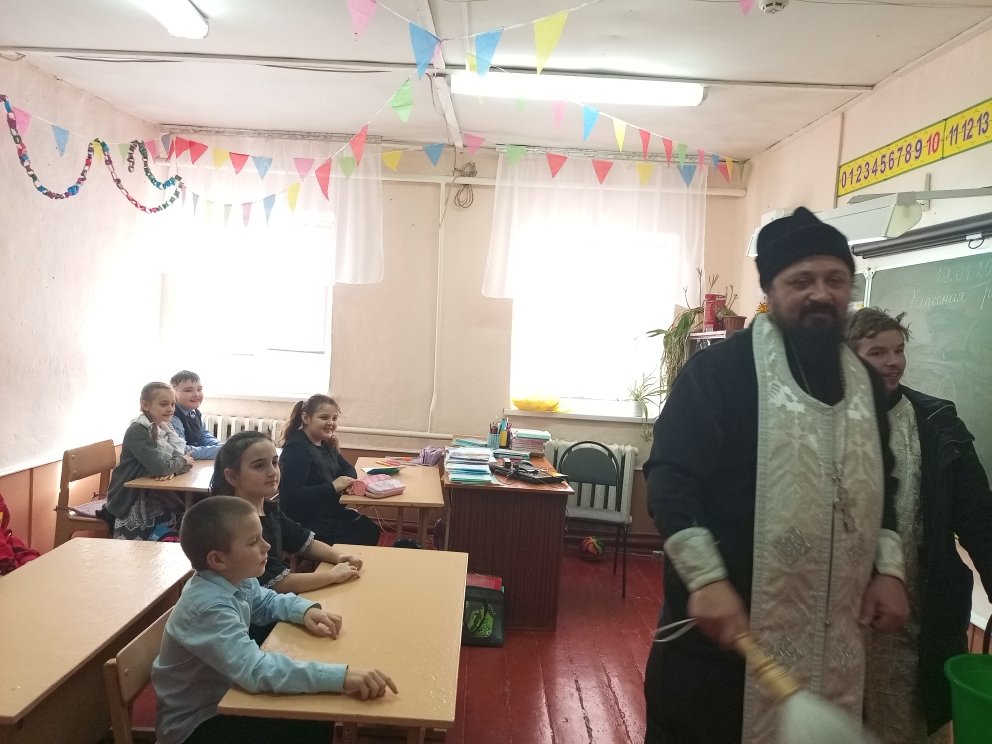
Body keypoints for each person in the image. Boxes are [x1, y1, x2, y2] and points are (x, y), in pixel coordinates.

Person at [642, 207, 910, 744]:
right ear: (770, 289)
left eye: (835, 280)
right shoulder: (718, 372)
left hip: (834, 650)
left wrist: (889, 571)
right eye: (801, 281)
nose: (821, 294)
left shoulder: (862, 380)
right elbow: (671, 478)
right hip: (725, 649)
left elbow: (882, 482)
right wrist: (707, 580)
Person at [847, 307, 992, 744]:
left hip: (912, 620)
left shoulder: (935, 424)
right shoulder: (826, 421)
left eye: (899, 350)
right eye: (878, 352)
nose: (893, 362)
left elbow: (979, 517)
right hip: (839, 618)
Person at [152, 496, 397, 744]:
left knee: (314, 714)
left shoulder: (236, 578)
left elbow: (267, 602)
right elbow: (256, 670)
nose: (267, 545)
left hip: (228, 694)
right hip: (197, 724)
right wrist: (340, 677)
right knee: (311, 720)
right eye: (253, 541)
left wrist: (304, 611)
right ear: (218, 560)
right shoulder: (208, 607)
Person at [210, 430, 364, 643]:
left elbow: (303, 541)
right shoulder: (234, 524)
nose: (272, 472)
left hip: (273, 606)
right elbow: (276, 583)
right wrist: (332, 576)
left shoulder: (269, 509)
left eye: (275, 462)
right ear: (232, 476)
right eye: (259, 466)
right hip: (248, 624)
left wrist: (338, 556)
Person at [278, 395, 381, 546]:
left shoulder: (325, 443)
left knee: (369, 528)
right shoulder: (296, 449)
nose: (331, 423)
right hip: (304, 521)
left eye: (334, 418)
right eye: (324, 417)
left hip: (325, 512)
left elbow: (348, 468)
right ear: (306, 418)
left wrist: (348, 482)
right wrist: (333, 487)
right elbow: (292, 496)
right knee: (362, 534)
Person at [106, 382, 194, 540]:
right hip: (130, 495)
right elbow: (163, 466)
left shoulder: (164, 427)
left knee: (186, 510)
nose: (170, 409)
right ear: (145, 405)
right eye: (164, 404)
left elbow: (181, 461)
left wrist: (173, 469)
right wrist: (178, 463)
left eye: (173, 404)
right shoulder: (138, 430)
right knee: (181, 512)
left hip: (152, 489)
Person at [170, 371, 221, 460]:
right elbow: (181, 450)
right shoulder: (172, 416)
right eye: (188, 390)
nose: (196, 394)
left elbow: (204, 435)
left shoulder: (195, 412)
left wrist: (220, 446)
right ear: (173, 393)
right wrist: (218, 451)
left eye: (199, 389)